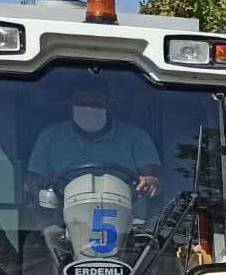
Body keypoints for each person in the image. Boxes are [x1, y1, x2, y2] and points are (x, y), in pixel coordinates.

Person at [26, 81, 161, 197]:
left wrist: (151, 182)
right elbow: (33, 181)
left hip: (130, 221)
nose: (89, 108)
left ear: (108, 103)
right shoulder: (50, 137)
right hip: (63, 221)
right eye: (81, 103)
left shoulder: (136, 137)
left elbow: (157, 178)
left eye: (96, 103)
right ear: (69, 104)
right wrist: (44, 184)